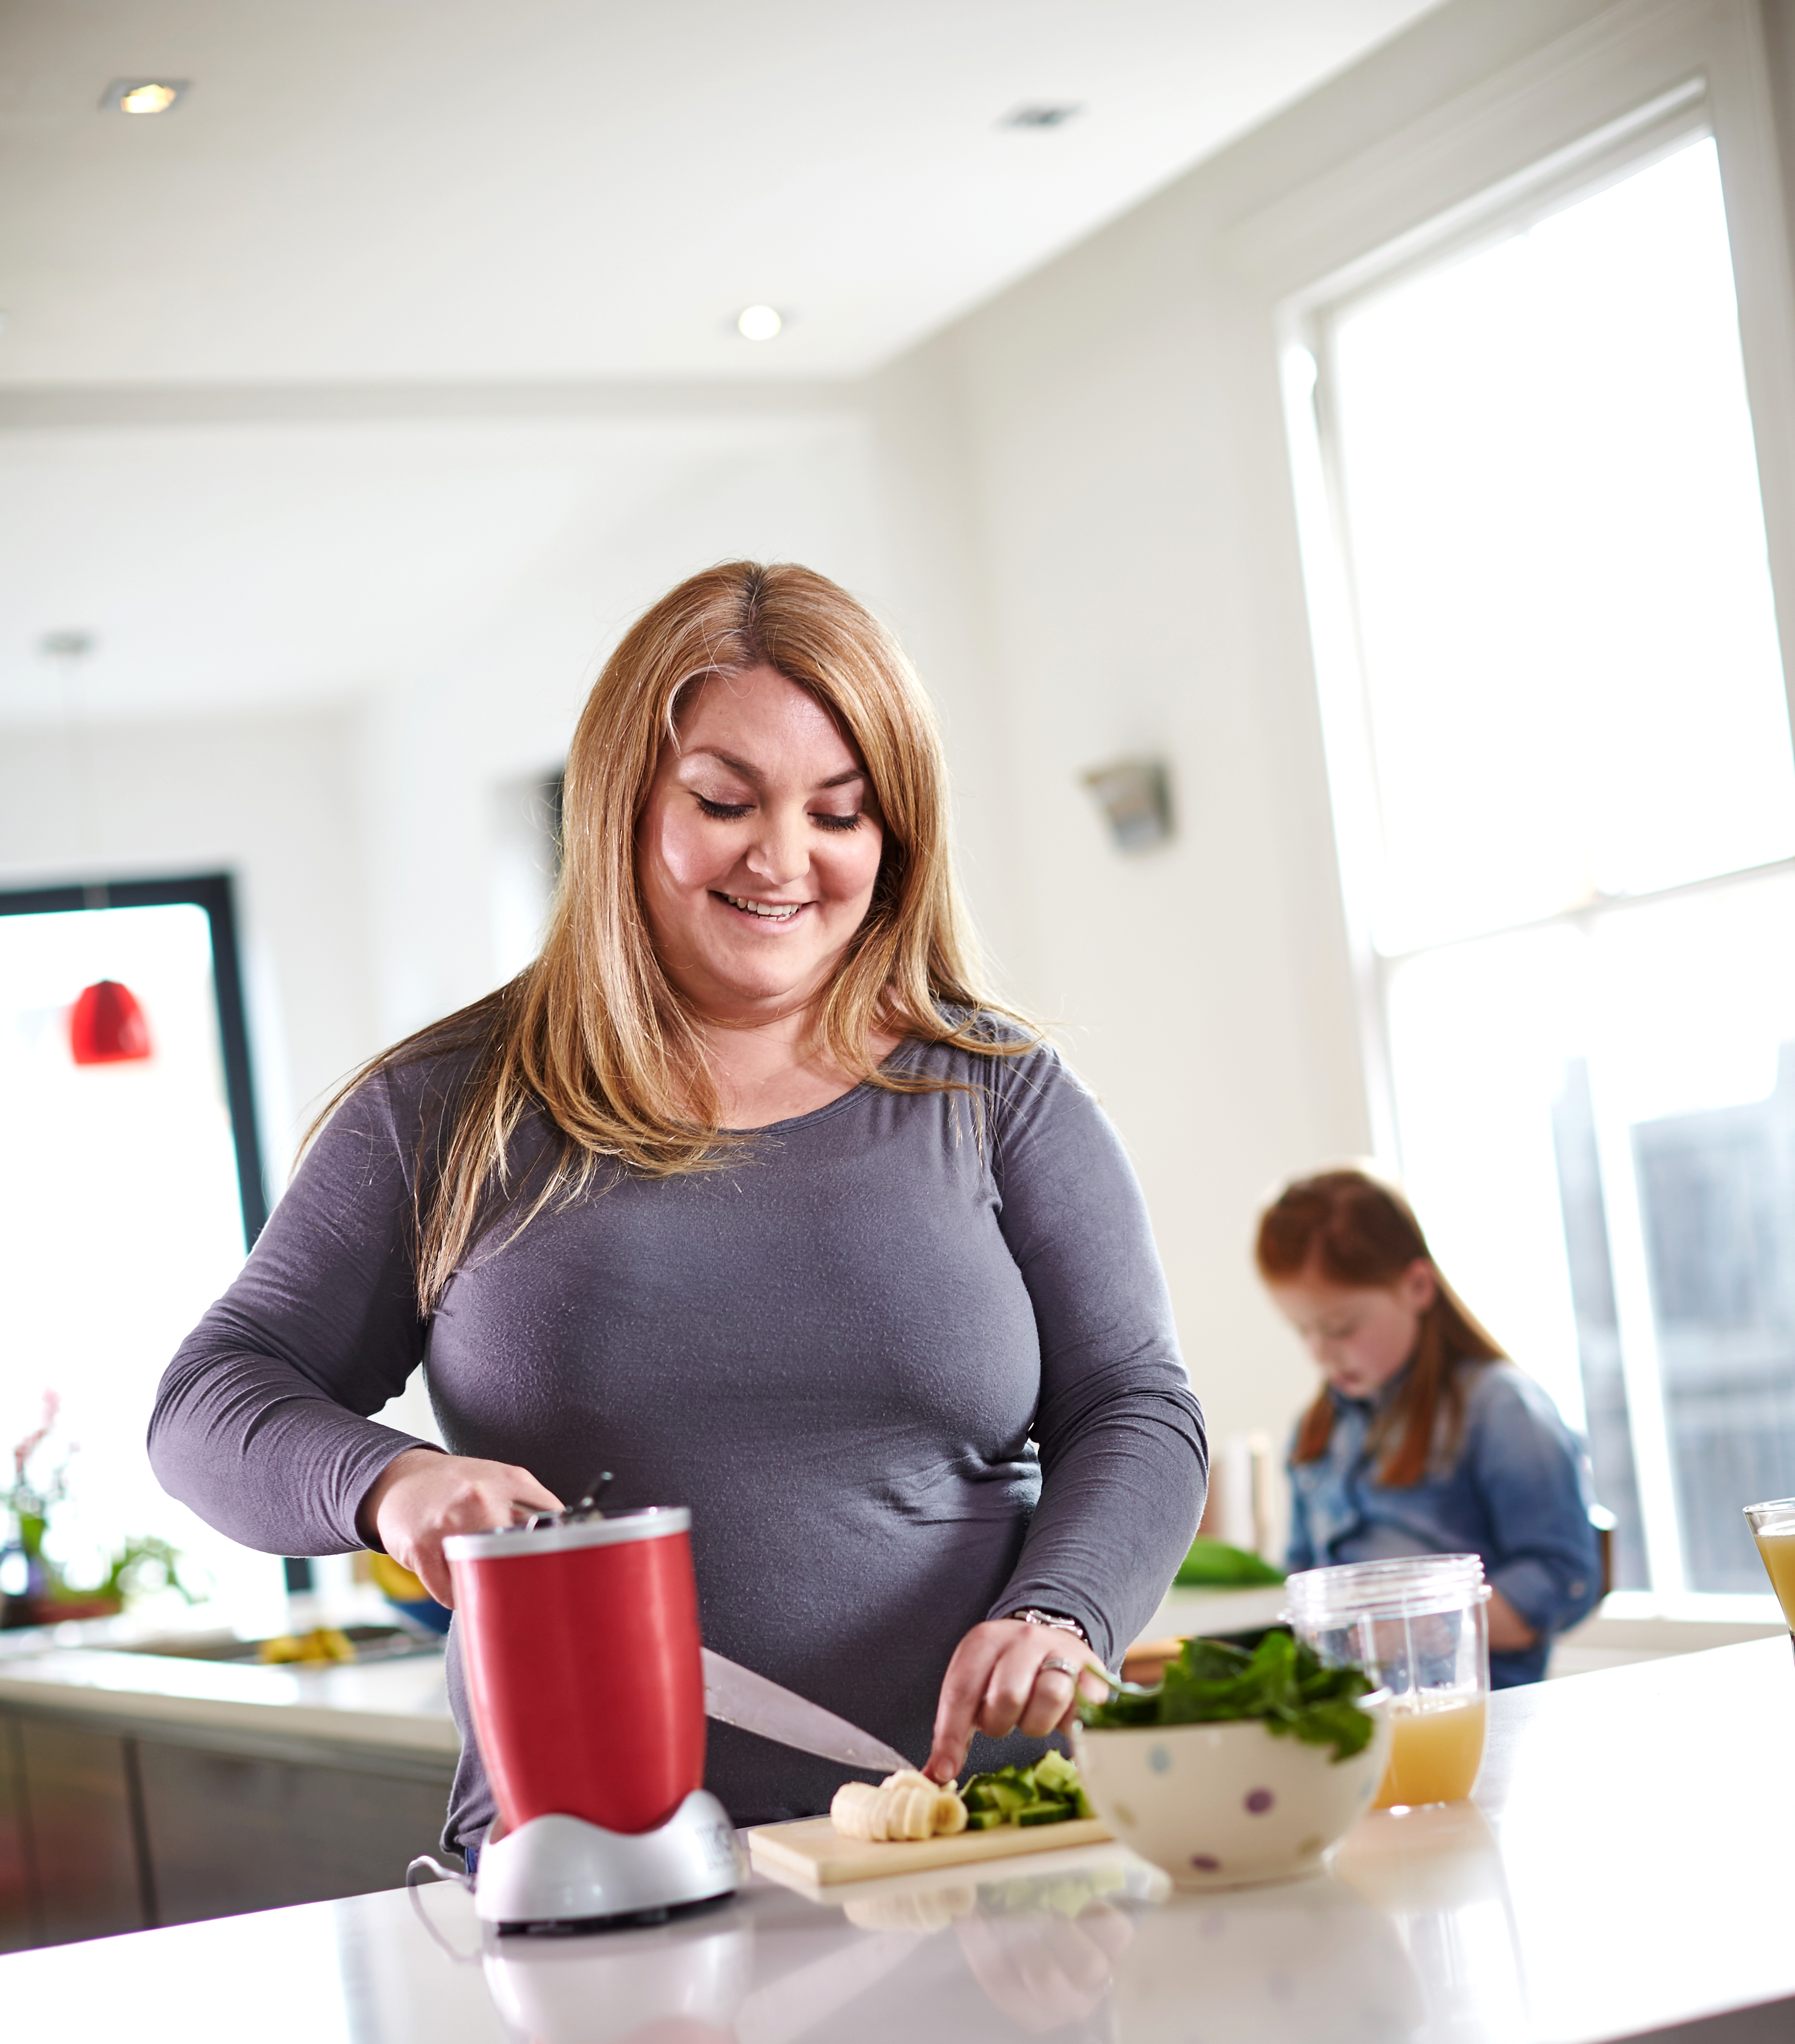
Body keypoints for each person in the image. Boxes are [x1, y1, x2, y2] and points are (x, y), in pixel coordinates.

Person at [150, 562, 1207, 1855]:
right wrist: (388, 1483)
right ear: (621, 804)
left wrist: (1061, 1610)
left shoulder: (995, 1094)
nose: (782, 859)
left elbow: (1136, 1406)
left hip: (980, 1849)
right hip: (597, 1876)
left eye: (840, 813)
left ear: (896, 837)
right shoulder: (450, 1109)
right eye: (723, 801)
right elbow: (208, 1400)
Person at [1254, 1168, 1600, 1687]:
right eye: (1302, 1330)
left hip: (1477, 1707)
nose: (1320, 1353)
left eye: (1341, 1327)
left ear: (1417, 1286)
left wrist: (1422, 1624)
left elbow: (1562, 1579)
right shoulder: (1316, 1430)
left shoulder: (1500, 1409)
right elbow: (1303, 1576)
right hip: (1359, 1716)